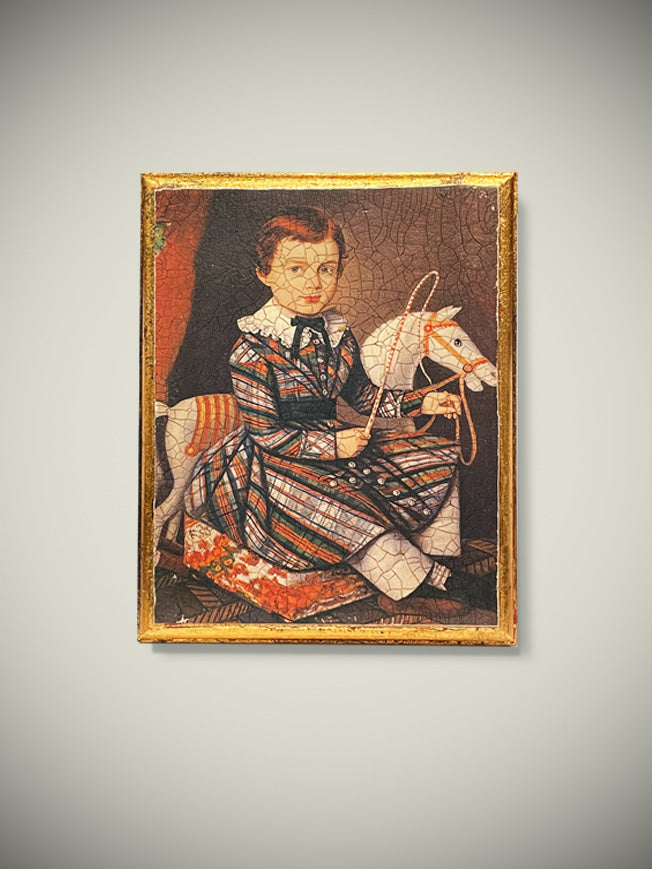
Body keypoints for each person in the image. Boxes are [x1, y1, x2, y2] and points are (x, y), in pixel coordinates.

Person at [186, 207, 463, 602]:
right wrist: (331, 446)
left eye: (326, 269)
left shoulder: (337, 334)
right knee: (343, 503)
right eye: (295, 269)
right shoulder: (250, 350)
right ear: (265, 273)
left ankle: (442, 563)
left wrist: (423, 401)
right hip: (268, 464)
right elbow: (266, 434)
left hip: (336, 439)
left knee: (438, 456)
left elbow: (364, 397)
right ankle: (420, 588)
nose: (313, 283)